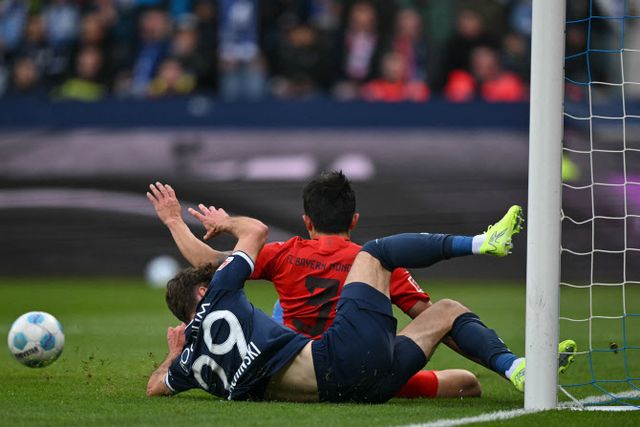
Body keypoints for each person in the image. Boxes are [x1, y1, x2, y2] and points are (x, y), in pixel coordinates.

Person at [146, 206, 576, 401]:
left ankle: (519, 369)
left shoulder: (192, 363)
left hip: (331, 386)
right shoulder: (224, 293)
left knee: (464, 382)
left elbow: (155, 387)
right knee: (389, 264)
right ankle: (480, 245)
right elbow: (247, 237)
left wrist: (173, 354)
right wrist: (221, 222)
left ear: (307, 221)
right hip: (344, 355)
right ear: (352, 220)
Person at [147, 173, 484, 398]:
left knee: (279, 310)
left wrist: (174, 221)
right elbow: (435, 322)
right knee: (466, 382)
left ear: (307, 222)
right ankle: (506, 365)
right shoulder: (373, 266)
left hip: (295, 369)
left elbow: (208, 261)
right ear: (354, 221)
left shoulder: (284, 254)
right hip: (364, 364)